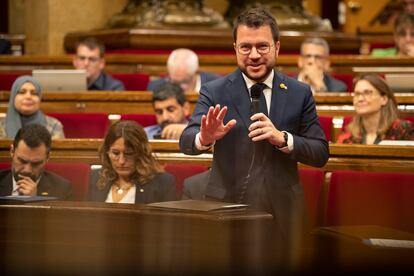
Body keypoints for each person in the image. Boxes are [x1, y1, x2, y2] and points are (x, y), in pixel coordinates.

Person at [179, 7, 329, 268]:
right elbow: (186, 140)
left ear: (277, 47)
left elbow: (320, 152)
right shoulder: (214, 91)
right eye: (245, 47)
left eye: (262, 46)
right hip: (225, 211)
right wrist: (204, 137)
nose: (255, 55)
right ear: (235, 48)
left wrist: (283, 139)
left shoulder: (299, 92)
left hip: (281, 215)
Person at [88, 120, 177, 204]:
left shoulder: (163, 183)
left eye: (129, 153)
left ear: (141, 153)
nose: (121, 161)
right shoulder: (96, 178)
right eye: (115, 153)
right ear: (107, 152)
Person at [337, 74, 414, 144]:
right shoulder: (348, 136)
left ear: (383, 99)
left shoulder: (403, 130)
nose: (360, 99)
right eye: (357, 94)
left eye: (367, 93)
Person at [0, 124, 72, 199]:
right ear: (12, 151)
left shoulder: (62, 189)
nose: (27, 170)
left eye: (36, 163)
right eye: (22, 161)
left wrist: (34, 200)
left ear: (47, 157)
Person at [0, 75, 65, 139]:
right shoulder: (1, 126)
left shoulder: (54, 125)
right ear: (13, 97)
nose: (28, 97)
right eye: (22, 92)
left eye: (34, 93)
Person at [147, 48, 220, 93]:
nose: (179, 88)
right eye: (174, 82)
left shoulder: (218, 87)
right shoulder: (155, 88)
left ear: (196, 72)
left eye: (184, 82)